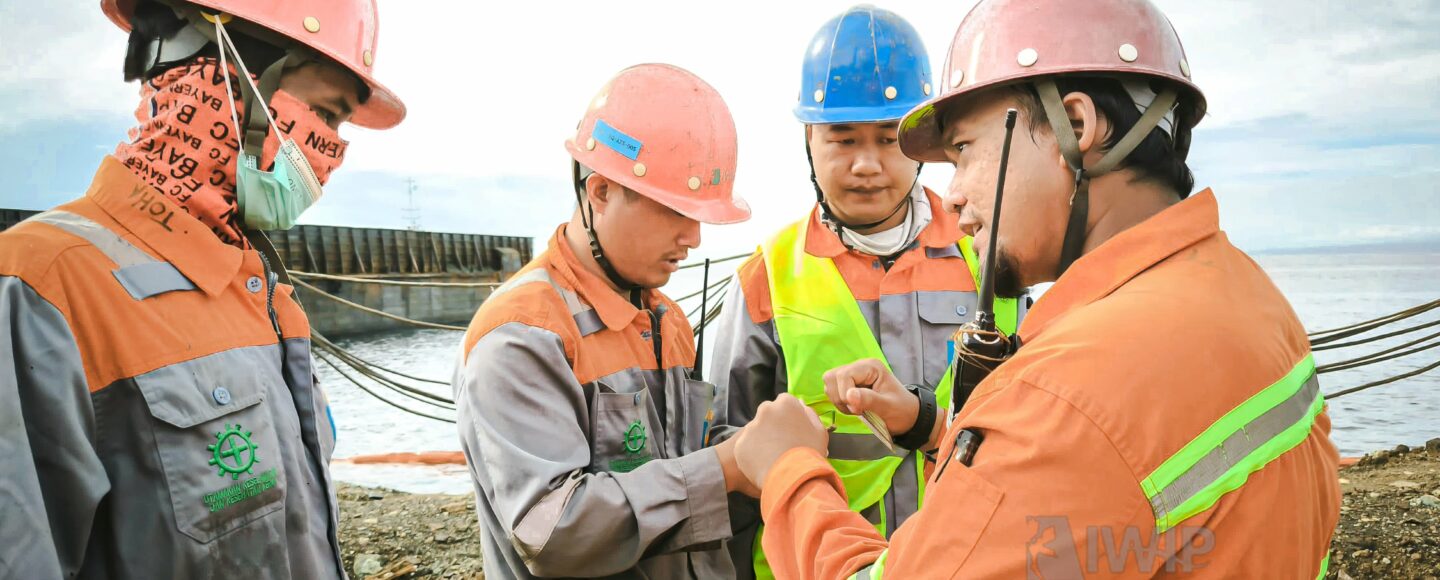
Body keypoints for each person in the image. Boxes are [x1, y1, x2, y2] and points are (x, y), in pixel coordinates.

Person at [729, 0, 1341, 577]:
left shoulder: (1069, 391)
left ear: (1075, 125)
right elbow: (1094, 487)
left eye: (964, 150)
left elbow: (1066, 441)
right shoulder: (1249, 296)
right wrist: (928, 426)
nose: (953, 195)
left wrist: (788, 469)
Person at [0, 0, 405, 577]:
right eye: (322, 113)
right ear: (223, 76)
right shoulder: (39, 286)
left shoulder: (256, 284)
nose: (329, 153)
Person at [706, 6, 1022, 578]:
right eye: (843, 139)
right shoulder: (767, 276)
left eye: (889, 139)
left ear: (923, 142)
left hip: (967, 562)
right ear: (809, 140)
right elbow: (733, 450)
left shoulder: (991, 255)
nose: (866, 165)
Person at [452, 63, 754, 579]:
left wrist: (756, 446)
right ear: (601, 192)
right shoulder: (522, 335)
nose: (694, 238)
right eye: (675, 211)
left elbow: (680, 457)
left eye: (699, 216)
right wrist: (727, 467)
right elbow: (553, 534)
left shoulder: (667, 320)